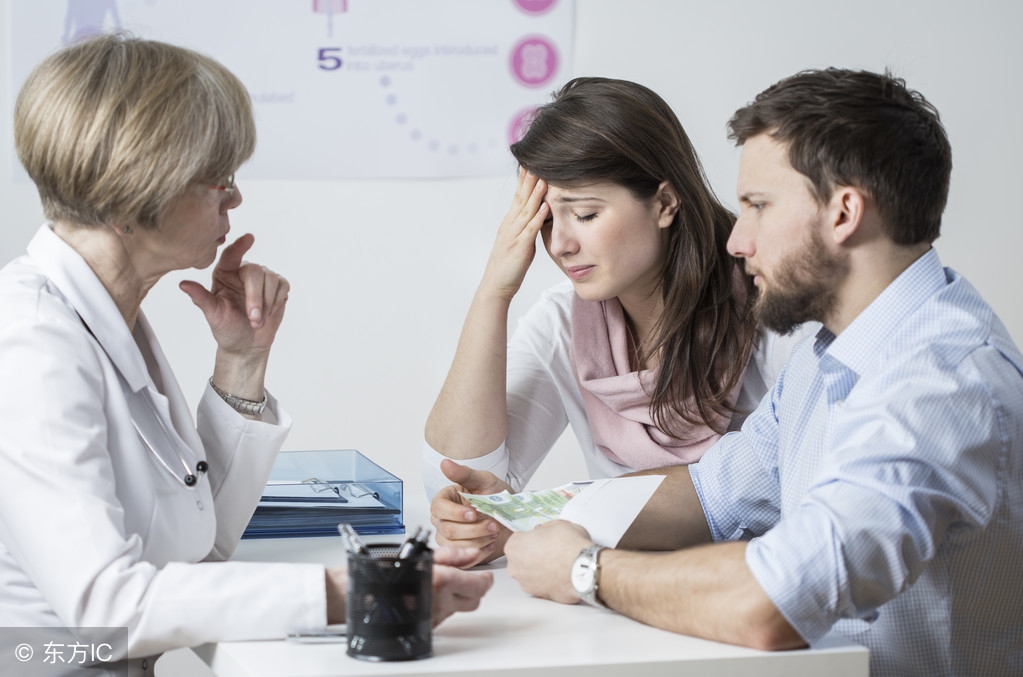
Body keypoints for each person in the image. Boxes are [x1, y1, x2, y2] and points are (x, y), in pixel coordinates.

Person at [503, 67, 1023, 677]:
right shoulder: (828, 356)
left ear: (844, 212)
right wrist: (529, 520)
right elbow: (709, 492)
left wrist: (583, 568)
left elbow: (774, 602)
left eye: (757, 206)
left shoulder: (938, 382)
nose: (736, 240)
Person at [0, 34, 492, 676]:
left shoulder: (106, 319)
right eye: (218, 179)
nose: (235, 199)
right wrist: (354, 594)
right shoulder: (32, 343)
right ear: (130, 195)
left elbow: (201, 547)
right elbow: (104, 607)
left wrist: (241, 361)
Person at [424, 77, 814, 565]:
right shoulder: (566, 324)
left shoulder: (776, 314)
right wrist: (493, 291)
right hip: (619, 606)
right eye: (545, 220)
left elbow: (787, 493)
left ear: (665, 203)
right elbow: (456, 478)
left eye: (584, 214)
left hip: (751, 606)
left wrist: (546, 519)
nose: (559, 244)